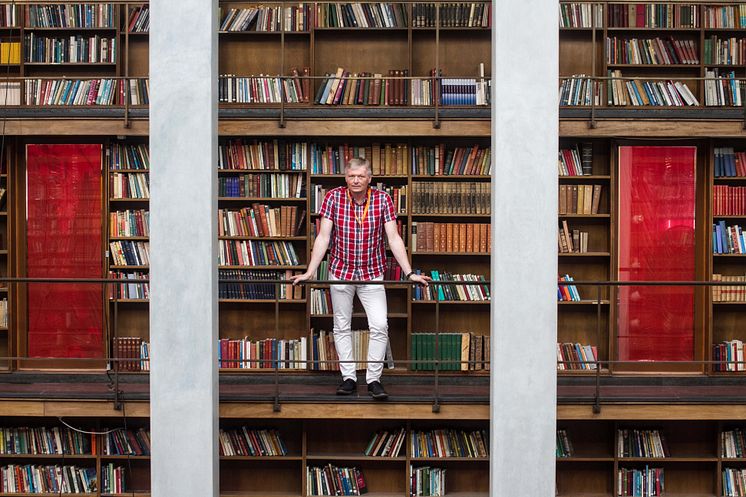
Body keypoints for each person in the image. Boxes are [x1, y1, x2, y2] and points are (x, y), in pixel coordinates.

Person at [291, 157, 430, 400]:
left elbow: (394, 238)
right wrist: (310, 271)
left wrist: (409, 272)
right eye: (351, 176)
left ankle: (374, 380)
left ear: (369, 179)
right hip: (340, 272)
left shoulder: (383, 199)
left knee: (379, 325)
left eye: (361, 176)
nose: (356, 180)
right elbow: (323, 238)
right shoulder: (333, 197)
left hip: (371, 273)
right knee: (341, 326)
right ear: (346, 178)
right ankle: (349, 379)